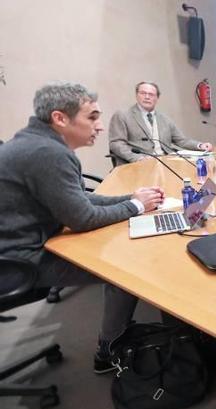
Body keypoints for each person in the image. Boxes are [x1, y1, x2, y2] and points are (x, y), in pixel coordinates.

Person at [1, 82, 165, 372]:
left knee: (118, 243)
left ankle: (117, 333)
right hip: (16, 263)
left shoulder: (37, 142)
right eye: (92, 117)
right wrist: (137, 207)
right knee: (125, 268)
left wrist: (131, 198)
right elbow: (83, 219)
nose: (100, 126)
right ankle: (108, 351)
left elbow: (79, 200)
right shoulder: (47, 153)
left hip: (25, 245)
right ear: (60, 118)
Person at [108, 81, 212, 164]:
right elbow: (116, 144)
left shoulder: (164, 119)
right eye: (143, 93)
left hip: (166, 162)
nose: (147, 97)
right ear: (137, 95)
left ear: (157, 98)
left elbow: (181, 140)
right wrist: (138, 158)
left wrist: (200, 146)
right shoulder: (123, 115)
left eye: (151, 94)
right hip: (139, 164)